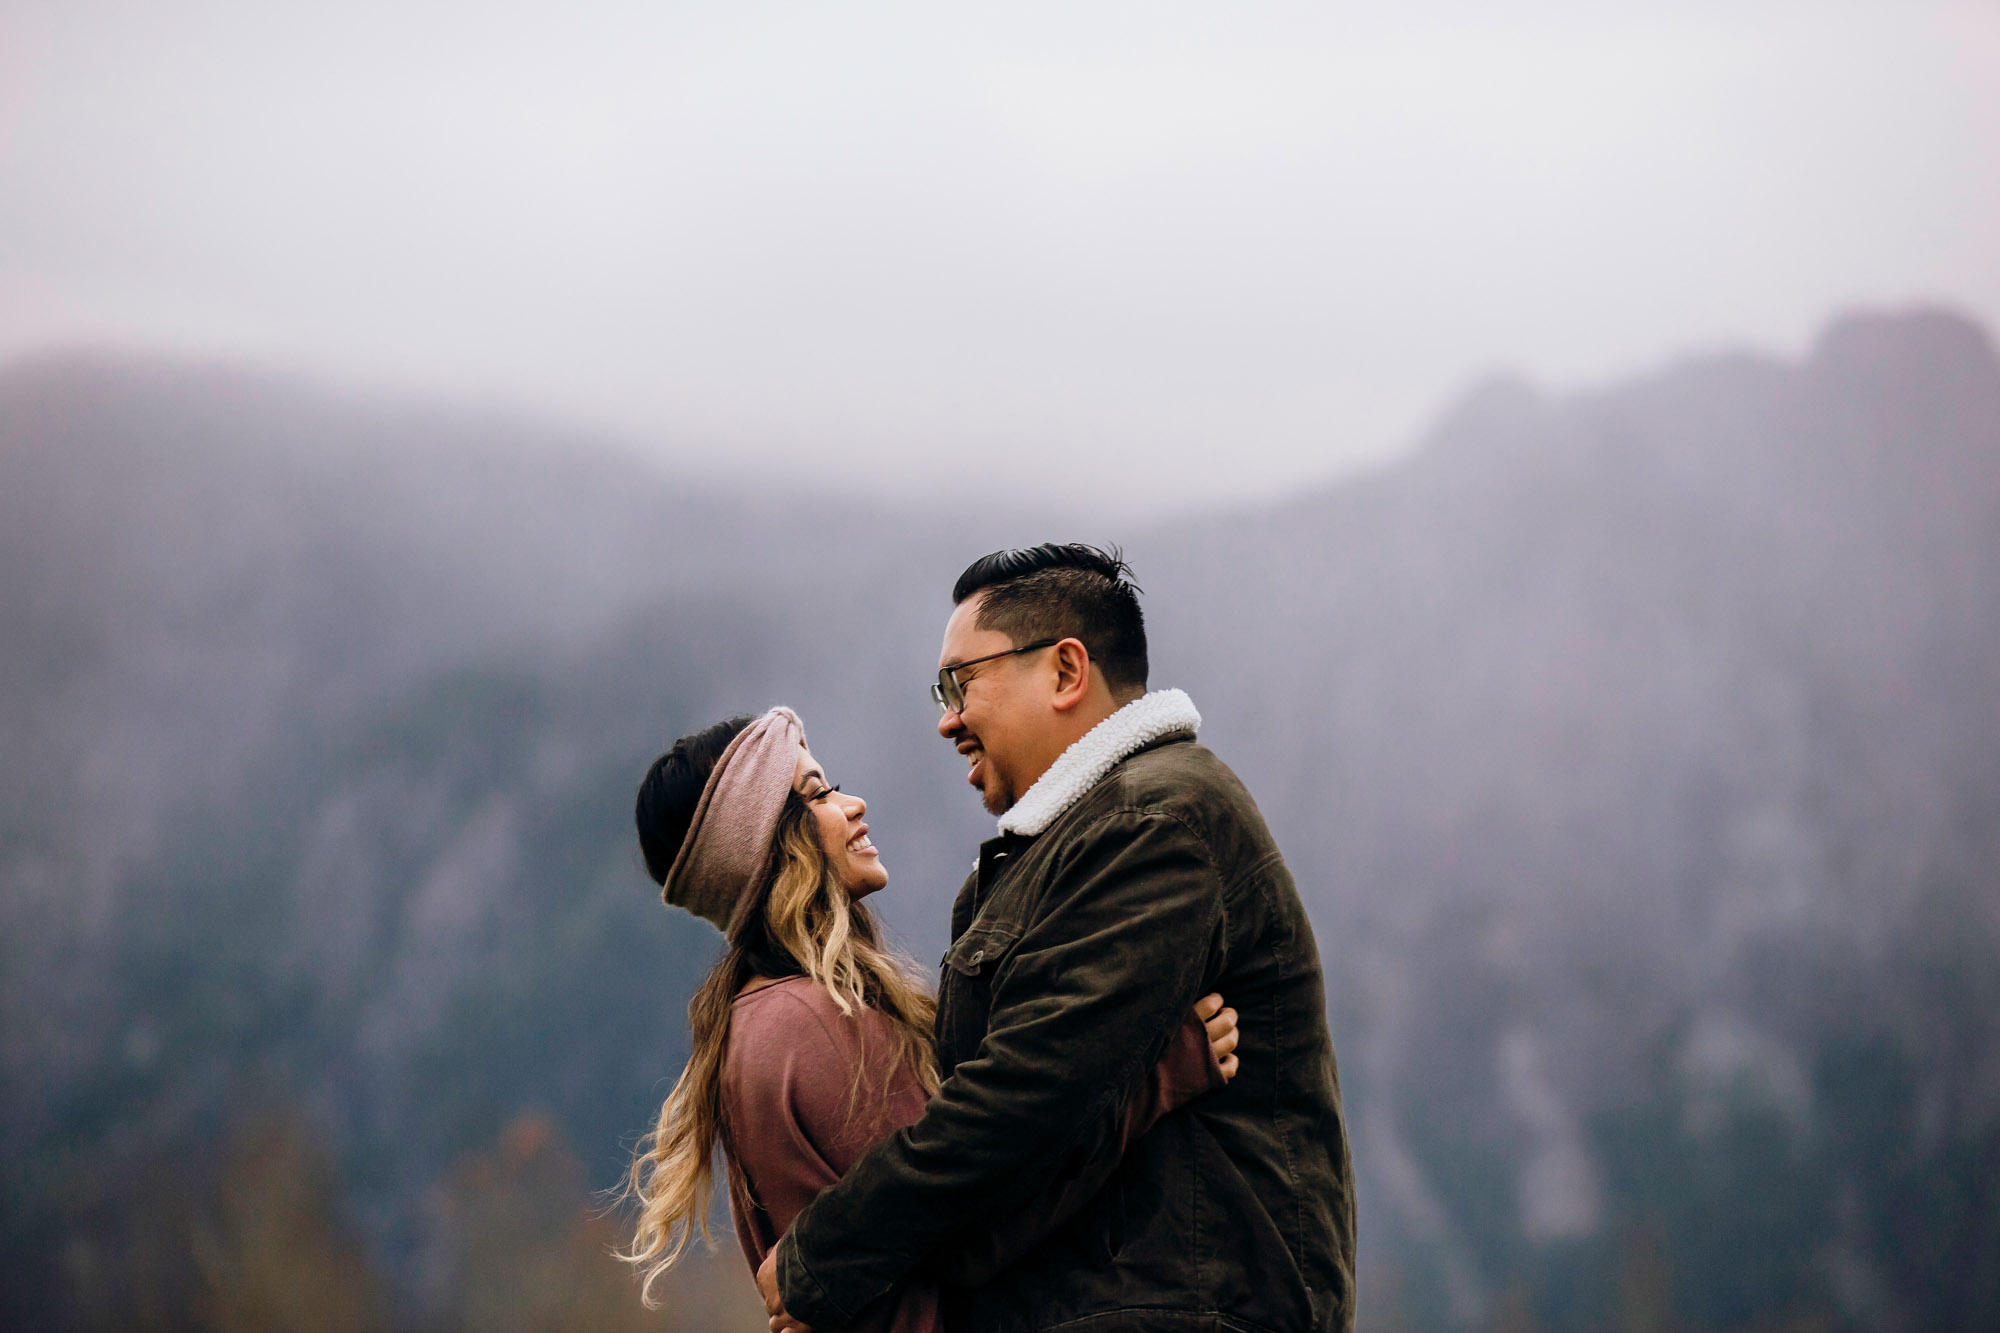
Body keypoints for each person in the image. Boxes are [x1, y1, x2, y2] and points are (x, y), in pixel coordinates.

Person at [760, 543, 1358, 1332]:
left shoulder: (1154, 823)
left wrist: (824, 1256)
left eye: (960, 683)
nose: (946, 719)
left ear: (1067, 671)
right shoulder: (1050, 853)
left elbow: (1027, 1101)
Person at [619, 706, 1242, 1332]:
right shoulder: (814, 1024)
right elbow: (970, 1221)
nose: (853, 804)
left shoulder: (758, 1022)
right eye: (818, 794)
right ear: (771, 846)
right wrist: (1160, 1075)